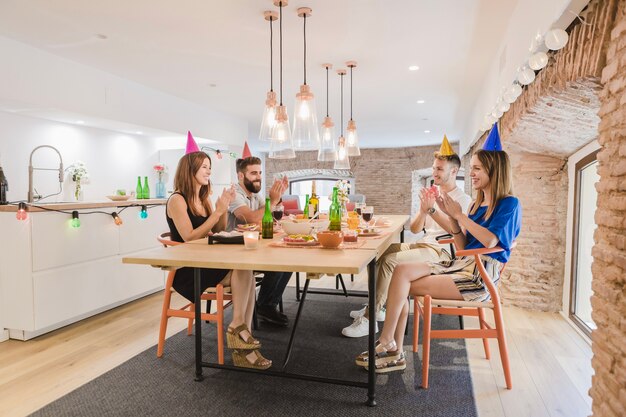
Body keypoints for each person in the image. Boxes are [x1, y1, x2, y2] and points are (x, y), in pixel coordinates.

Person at [356, 136, 521, 373]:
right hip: (460, 263)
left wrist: (459, 216)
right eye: (472, 168)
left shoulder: (509, 204)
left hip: (478, 277)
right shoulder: (478, 203)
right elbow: (463, 245)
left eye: (477, 168)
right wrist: (452, 218)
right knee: (400, 271)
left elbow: (491, 240)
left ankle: (392, 347)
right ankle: (389, 342)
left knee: (401, 281)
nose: (472, 173)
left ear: (494, 170)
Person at [342, 136, 472, 337]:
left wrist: (433, 211)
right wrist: (423, 210)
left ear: (453, 171)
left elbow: (460, 235)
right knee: (377, 254)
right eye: (433, 168)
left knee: (391, 260)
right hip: (424, 244)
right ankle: (378, 306)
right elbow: (415, 227)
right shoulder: (432, 194)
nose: (434, 172)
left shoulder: (462, 199)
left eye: (439, 169)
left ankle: (370, 318)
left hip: (442, 252)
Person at [166, 150, 271, 370]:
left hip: (207, 262)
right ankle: (239, 332)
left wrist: (222, 208)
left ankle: (240, 333)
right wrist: (218, 211)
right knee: (245, 271)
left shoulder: (203, 198)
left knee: (246, 271)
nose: (209, 171)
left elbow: (219, 229)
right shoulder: (177, 199)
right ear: (190, 170)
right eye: (204, 166)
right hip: (189, 268)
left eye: (209, 166)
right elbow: (189, 237)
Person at [227, 156, 293, 327]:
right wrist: (273, 200)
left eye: (260, 173)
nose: (258, 177)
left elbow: (265, 219)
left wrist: (274, 201)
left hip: (253, 248)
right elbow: (250, 218)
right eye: (253, 173)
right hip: (234, 254)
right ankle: (265, 306)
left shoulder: (255, 195)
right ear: (241, 176)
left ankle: (266, 305)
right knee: (279, 261)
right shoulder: (234, 194)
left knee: (288, 259)